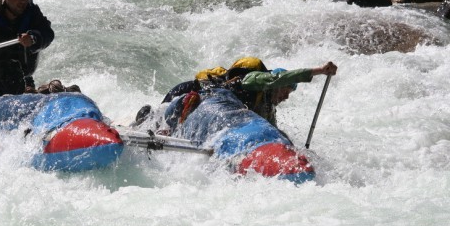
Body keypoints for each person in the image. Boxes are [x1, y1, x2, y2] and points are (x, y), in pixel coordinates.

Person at [135, 58, 337, 130]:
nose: (286, 97)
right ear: (276, 85)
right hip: (188, 93)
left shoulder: (266, 106)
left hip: (205, 109)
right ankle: (145, 118)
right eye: (286, 90)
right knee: (160, 121)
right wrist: (318, 71)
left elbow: (271, 129)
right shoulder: (252, 81)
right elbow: (277, 78)